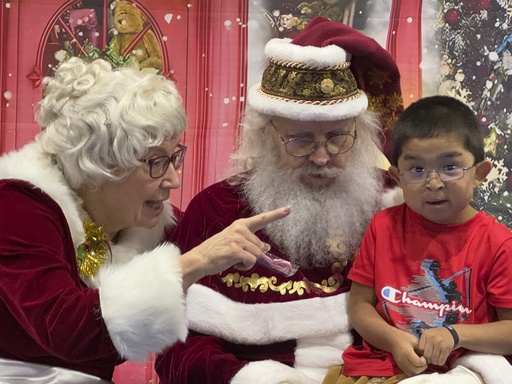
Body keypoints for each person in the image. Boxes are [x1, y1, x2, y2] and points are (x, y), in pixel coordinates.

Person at [0, 57, 290, 383]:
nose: (173, 180)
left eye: (174, 158)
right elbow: (67, 329)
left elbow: (212, 234)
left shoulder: (142, 222)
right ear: (100, 166)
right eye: (155, 162)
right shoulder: (18, 206)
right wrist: (195, 262)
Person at [155, 16, 405, 384]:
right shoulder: (217, 210)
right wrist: (256, 379)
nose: (321, 158)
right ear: (265, 136)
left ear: (361, 132)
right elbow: (173, 348)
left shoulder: (395, 203)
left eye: (338, 138)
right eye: (300, 140)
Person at [325, 95, 512, 384]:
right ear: (398, 179)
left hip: (456, 372)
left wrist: (456, 334)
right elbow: (360, 305)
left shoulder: (499, 243)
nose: (433, 183)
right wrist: (394, 341)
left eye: (450, 167)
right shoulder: (383, 226)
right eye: (416, 170)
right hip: (379, 366)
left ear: (479, 174)